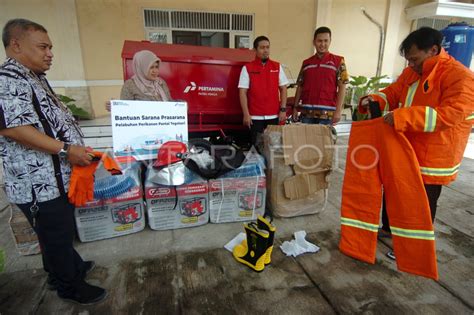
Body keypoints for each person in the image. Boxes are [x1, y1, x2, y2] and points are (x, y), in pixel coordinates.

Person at [0, 19, 107, 304]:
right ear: (16, 44)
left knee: (56, 232)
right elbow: (14, 128)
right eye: (43, 47)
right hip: (38, 183)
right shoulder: (8, 80)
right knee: (55, 233)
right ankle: (69, 285)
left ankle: (66, 267)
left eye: (51, 47)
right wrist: (66, 150)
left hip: (55, 178)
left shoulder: (33, 77)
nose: (50, 54)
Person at [358, 27, 474, 258]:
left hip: (434, 155)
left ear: (433, 50)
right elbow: (393, 92)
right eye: (409, 60)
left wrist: (402, 117)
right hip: (405, 146)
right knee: (394, 191)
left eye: (414, 59)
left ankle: (412, 250)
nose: (411, 65)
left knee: (419, 203)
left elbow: (448, 115)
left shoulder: (460, 77)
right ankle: (390, 229)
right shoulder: (413, 72)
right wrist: (374, 99)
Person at [238, 35, 289, 149]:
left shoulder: (277, 66)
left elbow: (283, 89)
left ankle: (271, 167)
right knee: (257, 148)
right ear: (255, 50)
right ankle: (259, 167)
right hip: (255, 118)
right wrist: (246, 114)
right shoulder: (247, 68)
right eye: (262, 48)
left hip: (274, 116)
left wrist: (283, 110)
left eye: (267, 47)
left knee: (274, 148)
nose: (265, 50)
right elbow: (242, 92)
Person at [292, 26, 349, 125]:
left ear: (330, 41)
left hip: (327, 115)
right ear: (314, 42)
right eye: (319, 41)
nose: (322, 44)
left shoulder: (339, 61)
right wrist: (295, 108)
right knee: (305, 140)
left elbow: (342, 87)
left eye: (326, 41)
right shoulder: (306, 63)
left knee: (325, 140)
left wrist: (338, 111)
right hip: (307, 113)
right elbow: (300, 86)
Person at [105, 50, 171, 111]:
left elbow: (170, 103)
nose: (155, 71)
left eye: (156, 67)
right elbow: (125, 111)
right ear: (141, 67)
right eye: (151, 67)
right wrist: (116, 107)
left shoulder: (161, 82)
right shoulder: (130, 85)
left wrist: (180, 104)